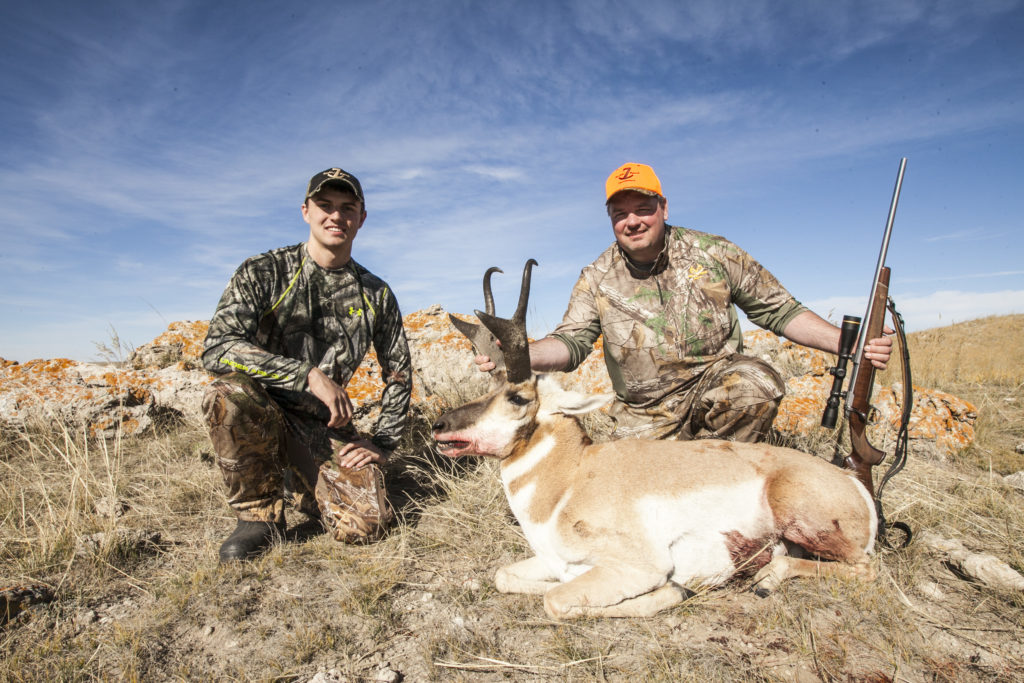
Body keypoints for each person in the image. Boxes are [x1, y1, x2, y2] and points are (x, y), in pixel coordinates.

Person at [477, 162, 891, 443]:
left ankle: (726, 482)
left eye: (643, 208)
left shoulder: (715, 253)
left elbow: (779, 310)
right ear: (611, 220)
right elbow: (571, 345)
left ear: (664, 207)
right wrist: (518, 354)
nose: (633, 221)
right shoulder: (596, 277)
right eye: (620, 213)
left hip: (716, 390)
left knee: (754, 385)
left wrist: (846, 343)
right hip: (645, 416)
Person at [202, 167, 412, 562]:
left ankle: (296, 478)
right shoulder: (263, 271)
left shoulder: (377, 294)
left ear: (361, 218)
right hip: (260, 407)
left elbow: (399, 373)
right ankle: (258, 517)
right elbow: (218, 348)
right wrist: (307, 374)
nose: (336, 216)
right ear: (305, 211)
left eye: (347, 208)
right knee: (227, 393)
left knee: (365, 524)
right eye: (325, 205)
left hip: (321, 425)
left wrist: (382, 442)